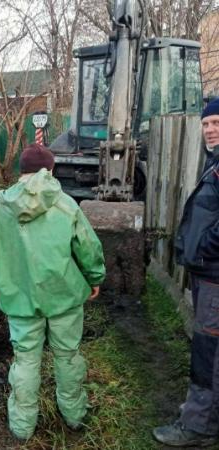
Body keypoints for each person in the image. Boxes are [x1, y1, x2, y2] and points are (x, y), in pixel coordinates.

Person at [0, 143, 105, 442]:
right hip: (64, 297)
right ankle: (74, 415)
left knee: (26, 360)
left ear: (22, 171)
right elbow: (87, 247)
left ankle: (22, 426)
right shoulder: (65, 203)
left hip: (18, 300)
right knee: (68, 356)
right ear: (51, 170)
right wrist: (94, 277)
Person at [153, 98, 219, 447]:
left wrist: (204, 248)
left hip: (214, 276)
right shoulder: (214, 164)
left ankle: (198, 426)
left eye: (216, 123)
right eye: (206, 124)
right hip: (208, 273)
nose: (209, 130)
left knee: (207, 353)